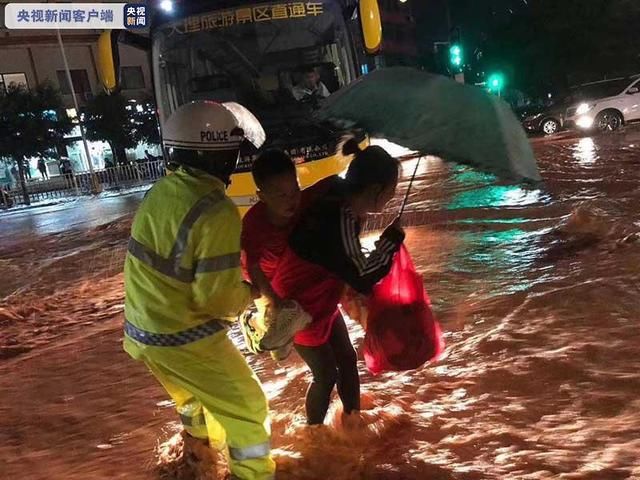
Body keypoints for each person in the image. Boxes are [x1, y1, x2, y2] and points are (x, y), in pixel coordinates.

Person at [123, 100, 275, 480]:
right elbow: (215, 299)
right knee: (249, 408)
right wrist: (252, 295)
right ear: (219, 156)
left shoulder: (160, 192)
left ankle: (195, 460)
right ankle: (253, 474)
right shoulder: (216, 210)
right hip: (183, 336)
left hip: (142, 333)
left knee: (191, 400)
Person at [270, 139, 405, 426]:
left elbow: (344, 259)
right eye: (391, 192)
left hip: (321, 296)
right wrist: (391, 243)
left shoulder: (338, 195)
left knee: (347, 357)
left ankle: (352, 422)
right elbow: (363, 276)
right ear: (376, 191)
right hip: (298, 308)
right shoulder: (340, 215)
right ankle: (315, 438)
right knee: (326, 374)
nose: (392, 198)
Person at [240, 150, 330, 360]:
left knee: (290, 325)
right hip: (265, 277)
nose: (291, 200)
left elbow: (327, 187)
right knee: (278, 349)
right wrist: (273, 300)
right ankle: (255, 323)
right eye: (282, 195)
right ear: (262, 196)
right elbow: (253, 268)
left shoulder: (304, 203)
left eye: (295, 190)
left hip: (289, 267)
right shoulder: (254, 224)